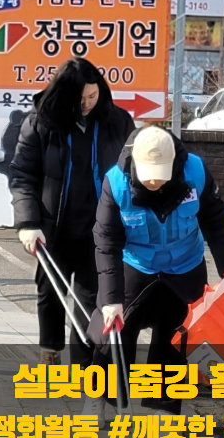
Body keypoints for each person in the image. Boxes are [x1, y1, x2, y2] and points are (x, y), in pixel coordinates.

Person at [89, 126, 224, 425]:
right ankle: (101, 400)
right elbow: (106, 242)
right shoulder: (116, 182)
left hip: (185, 264)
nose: (154, 181)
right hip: (136, 263)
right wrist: (110, 300)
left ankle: (163, 410)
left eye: (160, 174)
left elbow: (215, 222)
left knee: (176, 338)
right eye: (148, 175)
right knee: (114, 333)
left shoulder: (195, 172)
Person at [10, 58, 135, 366]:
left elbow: (132, 173)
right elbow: (22, 175)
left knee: (91, 299)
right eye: (80, 99)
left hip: (100, 230)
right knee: (50, 291)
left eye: (93, 96)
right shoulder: (41, 122)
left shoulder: (117, 121)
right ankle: (50, 349)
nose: (87, 104)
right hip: (53, 228)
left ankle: (86, 362)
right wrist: (27, 222)